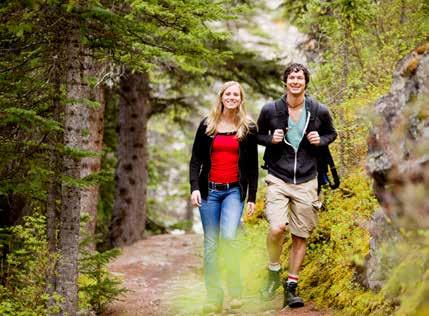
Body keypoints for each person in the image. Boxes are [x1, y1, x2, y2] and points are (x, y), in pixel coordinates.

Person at [256, 63, 337, 308]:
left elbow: (332, 133)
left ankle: (291, 286)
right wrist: (271, 139)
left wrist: (320, 140)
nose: (295, 81)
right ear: (285, 82)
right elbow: (257, 135)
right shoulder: (271, 109)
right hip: (278, 177)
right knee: (277, 228)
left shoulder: (318, 109)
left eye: (299, 78)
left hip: (307, 179)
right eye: (291, 77)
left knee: (300, 235)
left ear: (305, 82)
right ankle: (273, 271)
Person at [189, 81, 258, 314]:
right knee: (211, 244)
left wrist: (252, 198)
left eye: (235, 94)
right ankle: (214, 298)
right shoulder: (207, 125)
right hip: (209, 191)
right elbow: (195, 160)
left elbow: (252, 167)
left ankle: (236, 293)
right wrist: (194, 187)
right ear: (221, 97)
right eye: (227, 94)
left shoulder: (247, 127)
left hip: (234, 192)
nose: (231, 97)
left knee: (228, 238)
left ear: (241, 99)